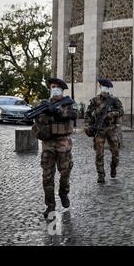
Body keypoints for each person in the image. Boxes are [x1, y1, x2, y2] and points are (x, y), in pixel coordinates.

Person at [32, 78, 77, 218]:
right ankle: (50, 206)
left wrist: (57, 111)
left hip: (63, 144)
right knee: (47, 177)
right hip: (48, 145)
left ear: (62, 90)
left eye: (57, 87)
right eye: (53, 87)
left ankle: (64, 193)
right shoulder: (43, 104)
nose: (55, 89)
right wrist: (45, 113)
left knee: (65, 173)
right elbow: (37, 122)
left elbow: (74, 114)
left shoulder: (69, 103)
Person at [84, 78, 124, 184]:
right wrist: (88, 125)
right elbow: (87, 115)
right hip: (99, 130)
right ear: (100, 87)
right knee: (99, 154)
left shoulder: (114, 100)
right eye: (103, 87)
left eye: (107, 87)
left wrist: (112, 114)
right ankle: (101, 175)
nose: (105, 89)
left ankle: (113, 168)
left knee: (115, 153)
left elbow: (121, 111)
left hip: (112, 129)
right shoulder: (94, 100)